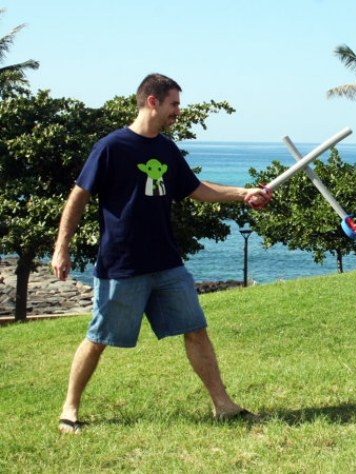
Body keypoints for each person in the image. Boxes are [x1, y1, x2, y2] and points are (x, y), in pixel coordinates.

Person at [52, 73, 272, 434]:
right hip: (122, 265)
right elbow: (78, 196)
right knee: (98, 339)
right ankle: (69, 409)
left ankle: (223, 405)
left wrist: (242, 193)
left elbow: (196, 189)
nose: (178, 112)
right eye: (174, 104)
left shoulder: (166, 149)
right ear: (152, 102)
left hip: (167, 262)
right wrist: (62, 247)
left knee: (196, 331)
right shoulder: (111, 147)